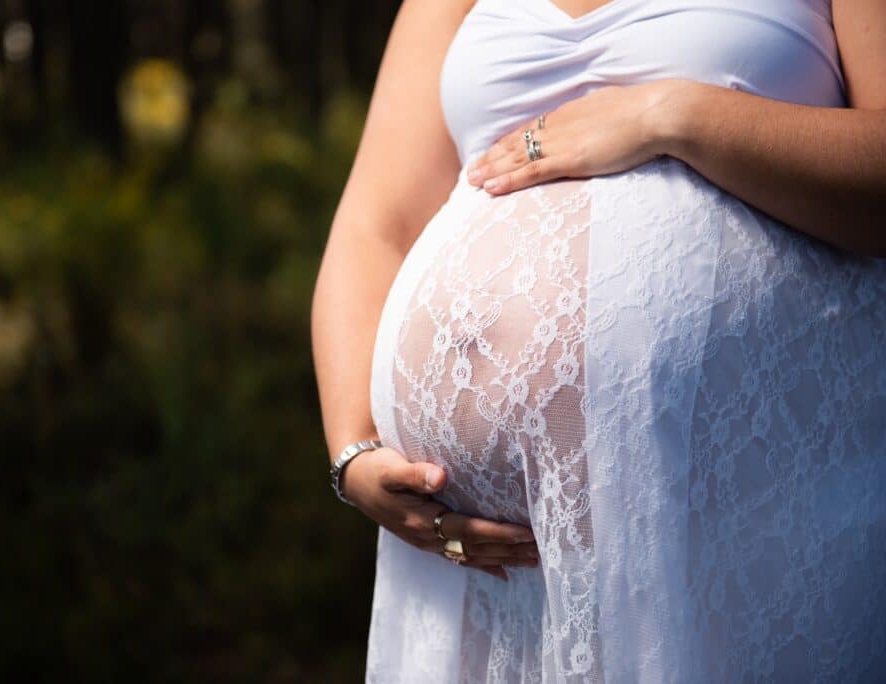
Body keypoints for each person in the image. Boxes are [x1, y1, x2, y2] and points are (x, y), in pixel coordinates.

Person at [311, 0, 886, 681]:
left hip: (745, 527)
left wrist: (671, 116)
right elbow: (375, 224)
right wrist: (353, 449)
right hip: (486, 572)